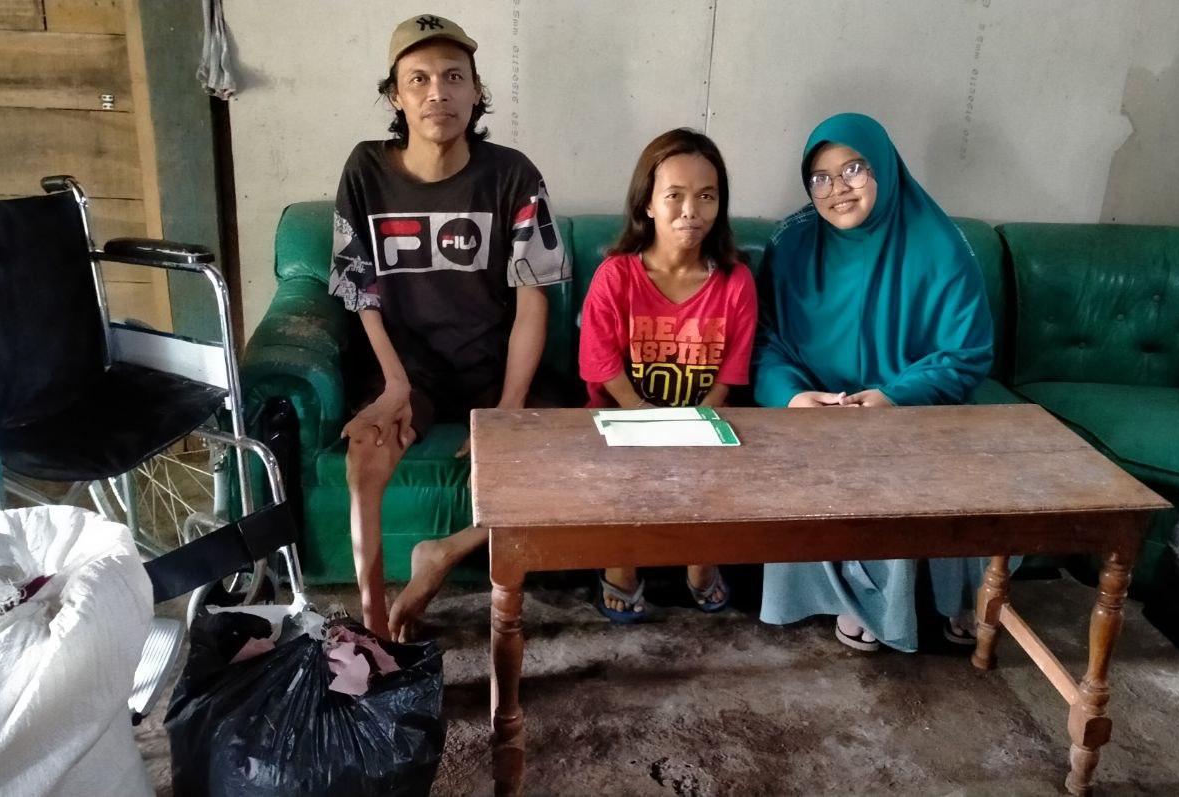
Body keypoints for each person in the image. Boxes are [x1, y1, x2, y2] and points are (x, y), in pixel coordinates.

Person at [329, 14, 570, 640]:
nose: (438, 92)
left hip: (494, 365)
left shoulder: (513, 174)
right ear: (396, 95)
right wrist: (392, 385)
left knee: (572, 455)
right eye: (419, 79)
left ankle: (441, 555)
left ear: (476, 91)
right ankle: (375, 625)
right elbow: (361, 290)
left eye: (453, 77)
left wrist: (510, 407)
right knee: (366, 453)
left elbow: (532, 301)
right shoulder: (365, 170)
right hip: (411, 370)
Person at [753, 112, 994, 652]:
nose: (837, 189)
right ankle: (854, 599)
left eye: (854, 169)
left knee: (934, 459)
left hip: (913, 403)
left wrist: (894, 395)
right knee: (817, 454)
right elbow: (763, 339)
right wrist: (792, 397)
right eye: (821, 177)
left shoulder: (939, 244)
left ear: (884, 168)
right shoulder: (791, 245)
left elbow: (968, 351)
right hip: (824, 405)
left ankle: (957, 595)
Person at [579, 128, 757, 623]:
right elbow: (599, 362)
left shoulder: (735, 279)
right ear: (648, 205)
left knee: (714, 472)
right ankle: (621, 570)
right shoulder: (617, 275)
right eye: (674, 196)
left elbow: (732, 369)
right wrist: (642, 416)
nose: (690, 210)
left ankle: (700, 566)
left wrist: (698, 420)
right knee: (622, 478)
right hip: (622, 414)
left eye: (706, 196)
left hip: (705, 417)